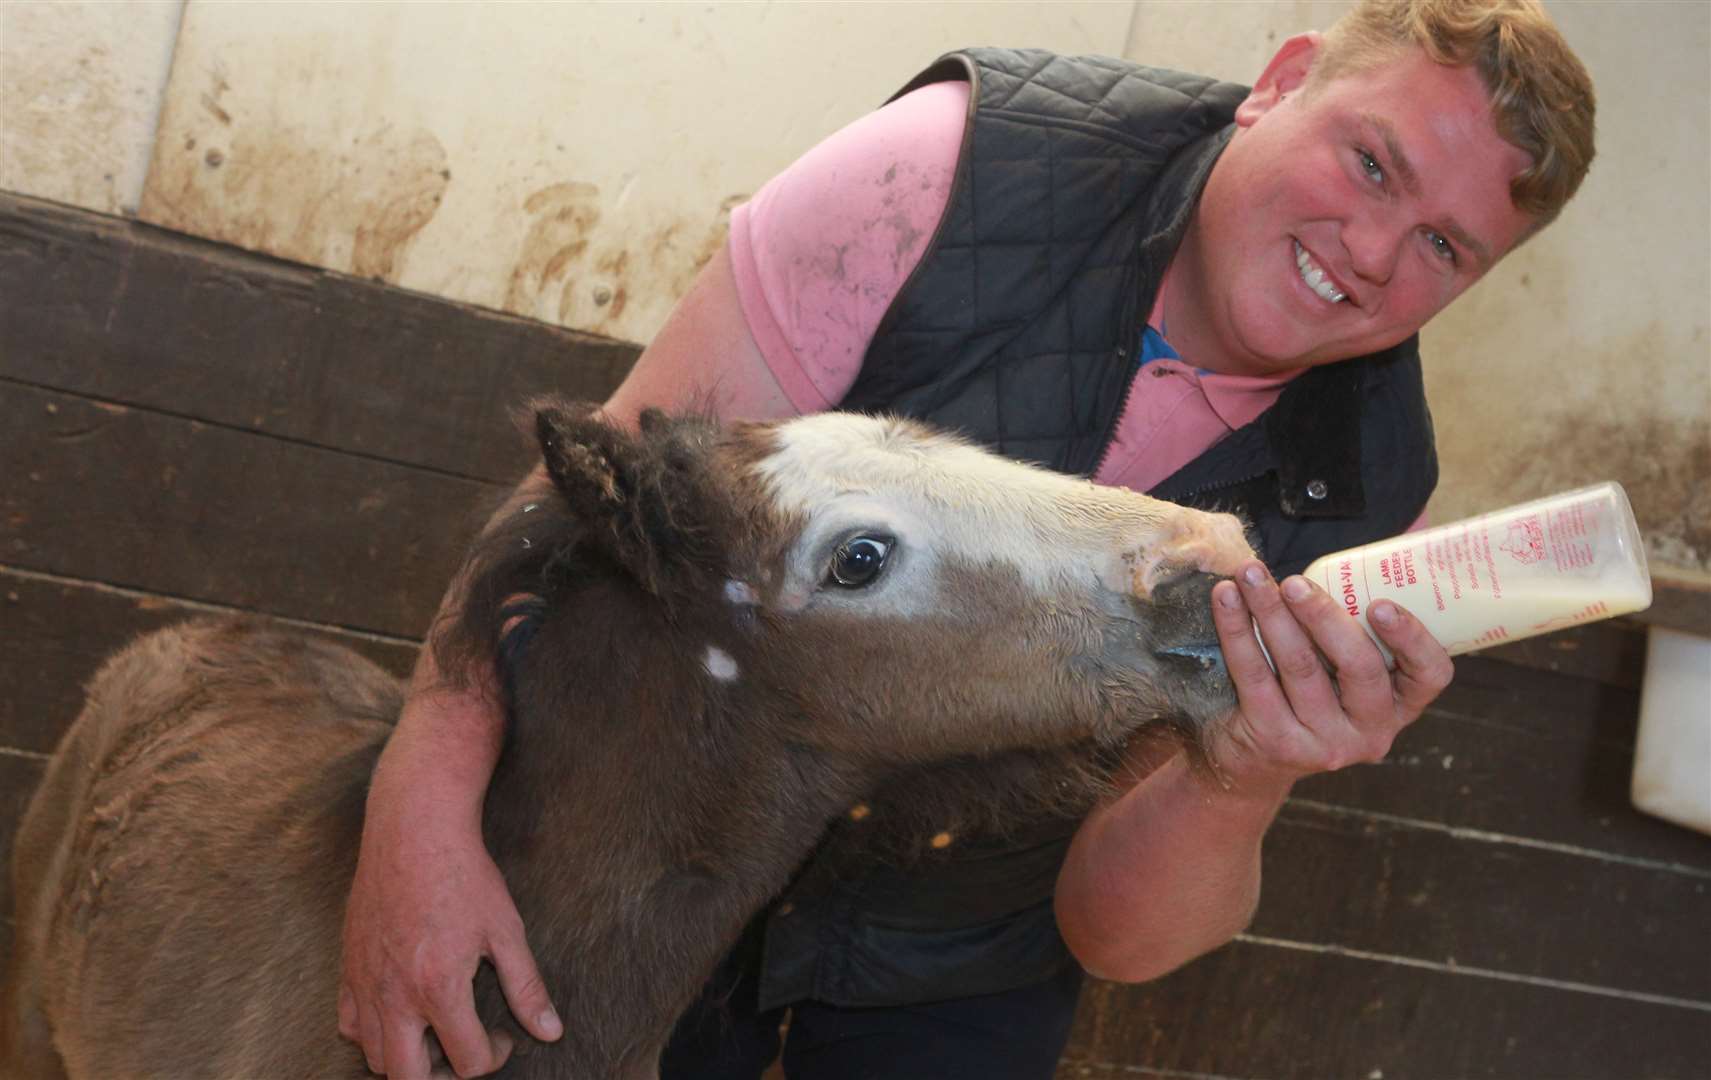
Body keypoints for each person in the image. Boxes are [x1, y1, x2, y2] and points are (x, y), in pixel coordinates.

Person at [338, 2, 1596, 1076]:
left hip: (960, 957)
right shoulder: (942, 180)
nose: (1374, 255)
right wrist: (419, 808)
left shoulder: (1370, 501)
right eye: (1371, 164)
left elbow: (1121, 939)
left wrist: (1248, 768)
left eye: (1444, 246)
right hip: (655, 855)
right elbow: (580, 519)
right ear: (1276, 85)